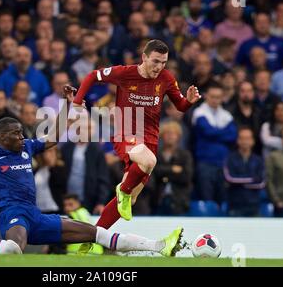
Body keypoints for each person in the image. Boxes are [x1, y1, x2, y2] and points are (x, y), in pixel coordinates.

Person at [0, 86, 184, 257]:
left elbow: (53, 137)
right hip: (12, 212)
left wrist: (68, 105)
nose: (21, 136)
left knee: (97, 233)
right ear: (2, 137)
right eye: (15, 133)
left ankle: (158, 247)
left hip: (37, 214)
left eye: (21, 132)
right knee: (14, 248)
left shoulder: (27, 147)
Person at [72, 39, 201, 228]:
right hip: (126, 134)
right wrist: (77, 101)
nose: (159, 67)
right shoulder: (125, 73)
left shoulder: (166, 78)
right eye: (156, 61)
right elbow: (93, 75)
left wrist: (188, 101)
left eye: (163, 62)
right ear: (144, 57)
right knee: (149, 162)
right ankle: (122, 190)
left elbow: (180, 105)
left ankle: (94, 237)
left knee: (130, 200)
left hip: (150, 140)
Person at [223, 127, 265, 217]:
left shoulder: (258, 160)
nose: (245, 141)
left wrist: (240, 182)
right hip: (235, 205)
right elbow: (229, 179)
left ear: (252, 141)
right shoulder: (230, 159)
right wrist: (252, 179)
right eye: (242, 138)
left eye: (248, 138)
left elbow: (261, 183)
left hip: (254, 206)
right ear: (238, 141)